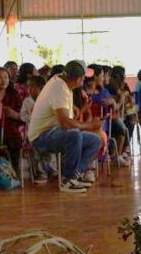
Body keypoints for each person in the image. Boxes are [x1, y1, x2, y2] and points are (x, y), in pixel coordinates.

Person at [27, 60, 103, 194]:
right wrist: (90, 125)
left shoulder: (65, 85)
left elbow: (66, 121)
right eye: (84, 77)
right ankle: (67, 180)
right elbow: (65, 124)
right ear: (79, 79)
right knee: (74, 135)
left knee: (95, 140)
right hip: (41, 136)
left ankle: (75, 175)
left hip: (53, 132)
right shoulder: (59, 88)